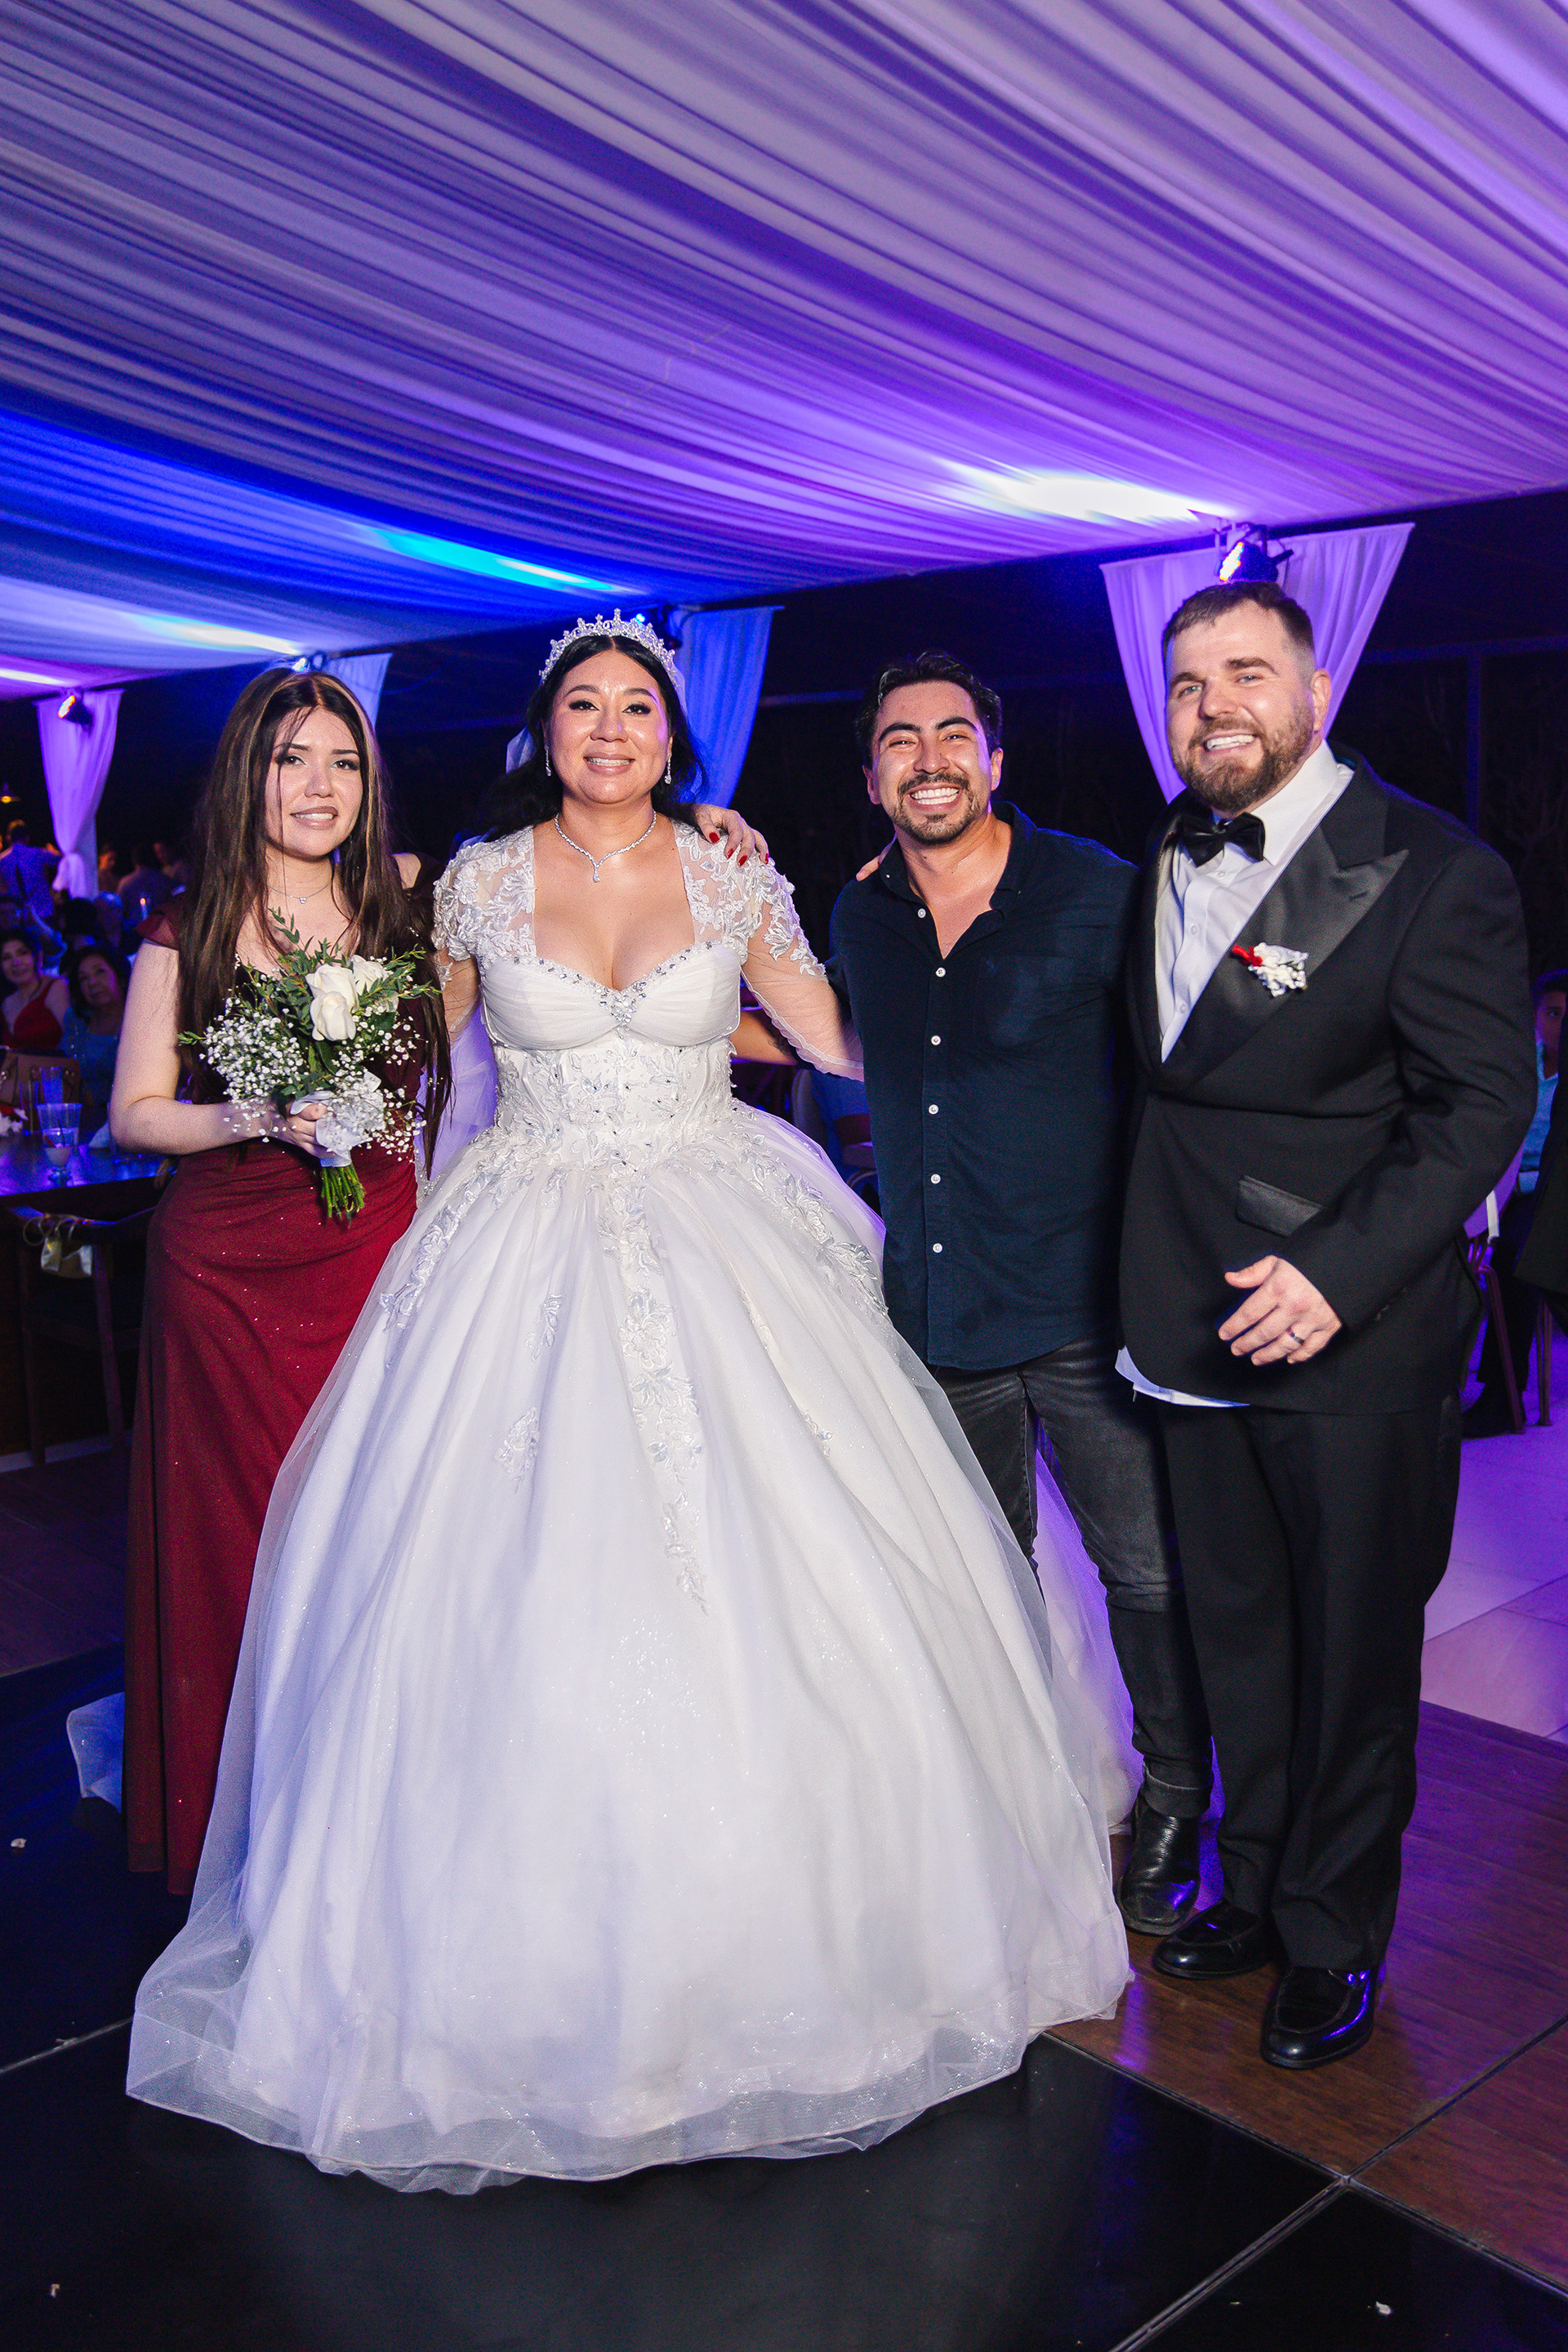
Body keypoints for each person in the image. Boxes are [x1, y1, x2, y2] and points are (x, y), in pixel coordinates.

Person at [128, 616, 1130, 2189]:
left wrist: (1003, 1040)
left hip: (725, 1213)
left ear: (675, 734)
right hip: (521, 1232)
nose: (611, 728)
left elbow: (840, 1040)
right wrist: (284, 1078)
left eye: (639, 707)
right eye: (584, 705)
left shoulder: (733, 875)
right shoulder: (472, 880)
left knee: (810, 1558)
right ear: (549, 731)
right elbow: (412, 1049)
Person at [1119, 580, 1535, 2068]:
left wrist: (1339, 1276)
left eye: (1247, 672)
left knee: (1352, 1653)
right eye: (1187, 682)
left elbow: (1481, 1105)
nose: (1213, 705)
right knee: (1238, 1633)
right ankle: (1256, 1888)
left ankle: (1335, 1935)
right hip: (1189, 1314)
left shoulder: (1434, 867)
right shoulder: (1163, 848)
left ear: (1317, 693)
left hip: (1350, 1332)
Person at [831, 652, 1212, 1938]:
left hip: (1088, 1307)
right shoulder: (859, 917)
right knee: (977, 1579)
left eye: (954, 734)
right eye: (900, 739)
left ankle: (1176, 1798)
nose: (929, 758)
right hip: (939, 1314)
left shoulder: (1099, 892)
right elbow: (835, 1039)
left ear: (995, 759)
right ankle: (1008, 1803)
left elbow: (1188, 1064)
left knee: (1144, 1570)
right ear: (872, 774)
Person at [1463, 968, 1566, 1434]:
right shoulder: (1520, 1065)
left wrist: (1518, 1186)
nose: (1560, 1025)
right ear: (1537, 1016)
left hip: (1548, 1194)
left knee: (1519, 1258)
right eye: (1553, 1013)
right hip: (1496, 1185)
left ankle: (1503, 1397)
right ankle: (1433, 1380)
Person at [59, 942, 129, 1134]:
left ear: (120, 977)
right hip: (83, 1125)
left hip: (128, 1123)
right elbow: (63, 1068)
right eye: (84, 978)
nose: (92, 983)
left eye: (100, 972)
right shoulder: (76, 1019)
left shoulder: (140, 1017)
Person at [0, 925, 69, 1053]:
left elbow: (75, 1039)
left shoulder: (57, 988)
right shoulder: (6, 1003)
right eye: (6, 958)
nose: (15, 963)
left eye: (22, 953)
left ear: (38, 956)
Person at [117, 844, 172, 929]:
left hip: (136, 929)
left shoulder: (125, 883)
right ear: (152, 859)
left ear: (134, 861)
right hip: (161, 929)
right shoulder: (164, 880)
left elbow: (119, 908)